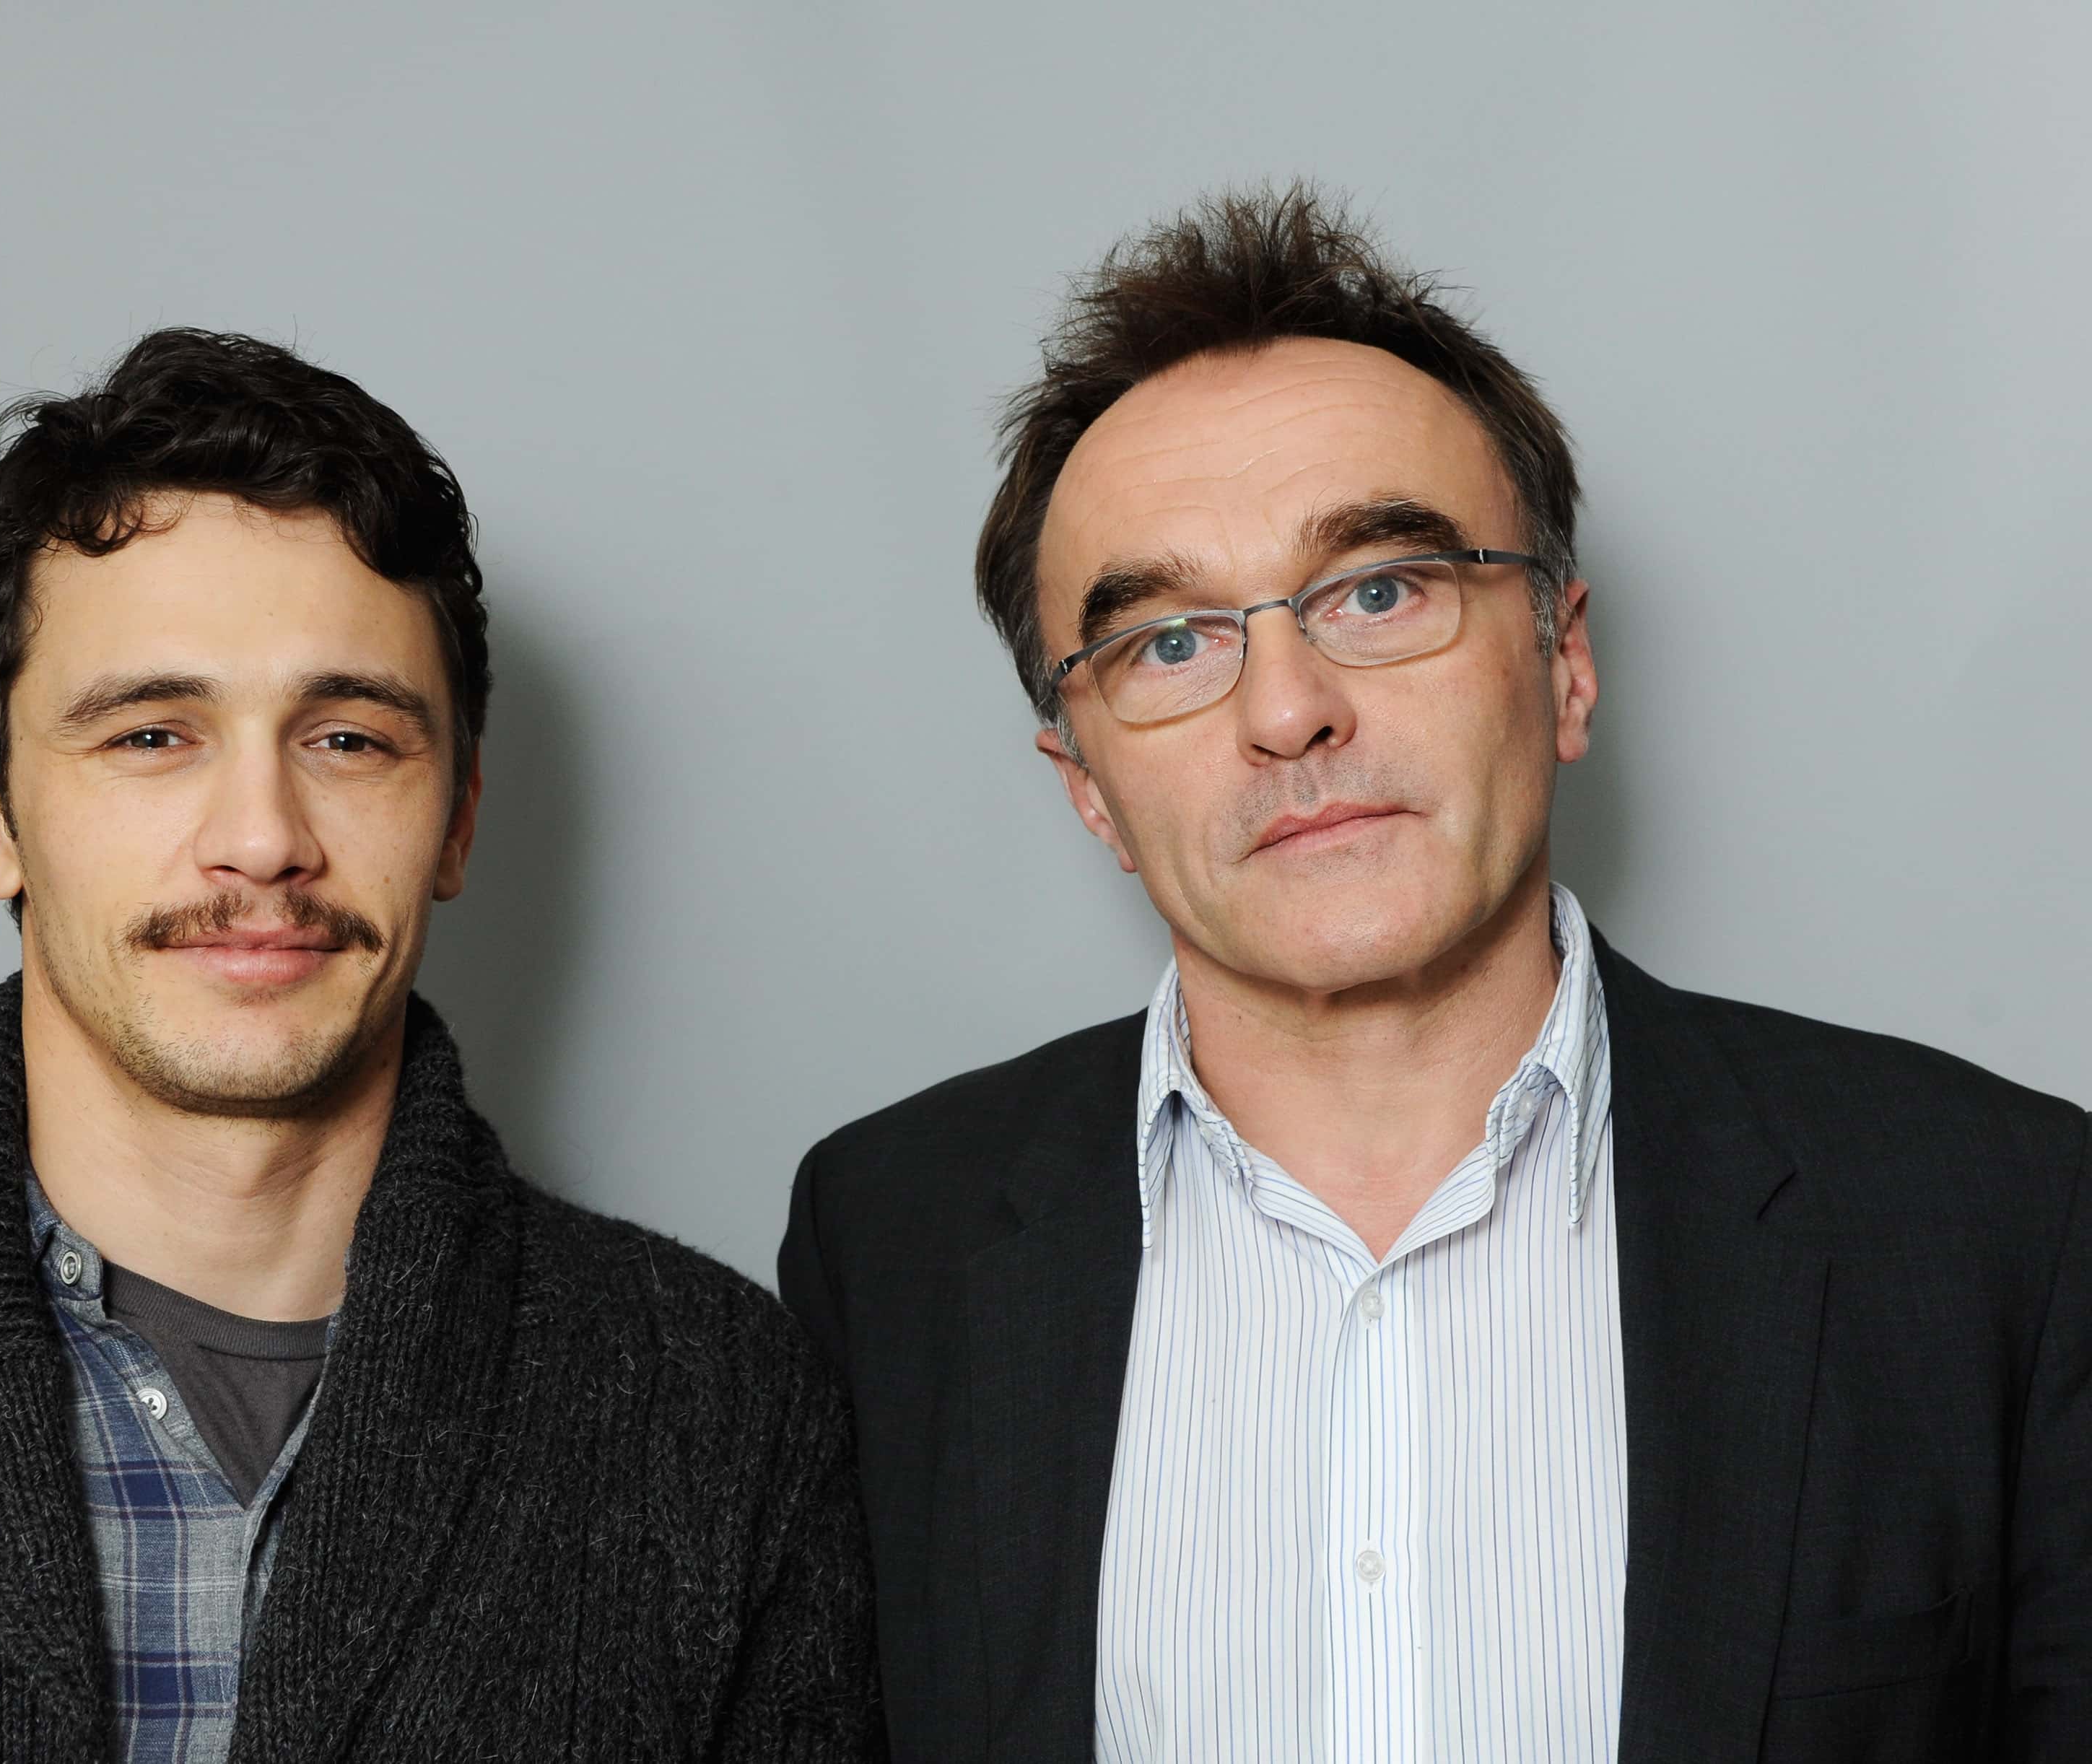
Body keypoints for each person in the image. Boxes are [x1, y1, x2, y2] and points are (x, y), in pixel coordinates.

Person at [779, 188, 2088, 1763]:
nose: (1287, 712)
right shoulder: (887, 1241)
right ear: (1088, 790)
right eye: (1170, 643)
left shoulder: (1999, 1222)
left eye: (1379, 591)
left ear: (1563, 664)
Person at [0, 328, 882, 1763]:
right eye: (151, 735)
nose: (262, 839)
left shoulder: (717, 1411)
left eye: (348, 739)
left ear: (457, 818)